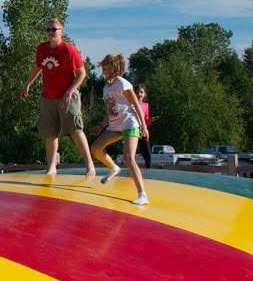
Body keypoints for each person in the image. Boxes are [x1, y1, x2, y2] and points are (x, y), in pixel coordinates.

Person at [21, 17, 95, 177]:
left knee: (75, 129)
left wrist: (69, 91)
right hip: (48, 96)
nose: (50, 32)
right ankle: (51, 166)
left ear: (62, 32)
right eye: (48, 30)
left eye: (53, 29)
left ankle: (89, 164)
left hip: (68, 95)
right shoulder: (42, 48)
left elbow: (81, 73)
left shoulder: (69, 50)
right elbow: (37, 68)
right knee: (50, 133)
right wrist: (27, 83)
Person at [90, 54, 150, 206]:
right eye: (102, 64)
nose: (102, 67)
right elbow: (111, 111)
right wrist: (101, 125)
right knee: (96, 149)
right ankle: (113, 168)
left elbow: (136, 104)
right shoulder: (106, 88)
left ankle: (142, 194)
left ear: (114, 67)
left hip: (130, 124)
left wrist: (143, 125)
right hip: (115, 126)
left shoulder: (122, 84)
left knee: (128, 158)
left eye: (105, 64)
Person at [136, 83, 154, 170]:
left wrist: (150, 120)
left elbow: (146, 118)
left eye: (141, 92)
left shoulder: (145, 105)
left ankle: (148, 169)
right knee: (131, 153)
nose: (139, 94)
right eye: (137, 92)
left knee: (147, 152)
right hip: (133, 129)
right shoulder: (131, 104)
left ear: (144, 94)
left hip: (142, 131)